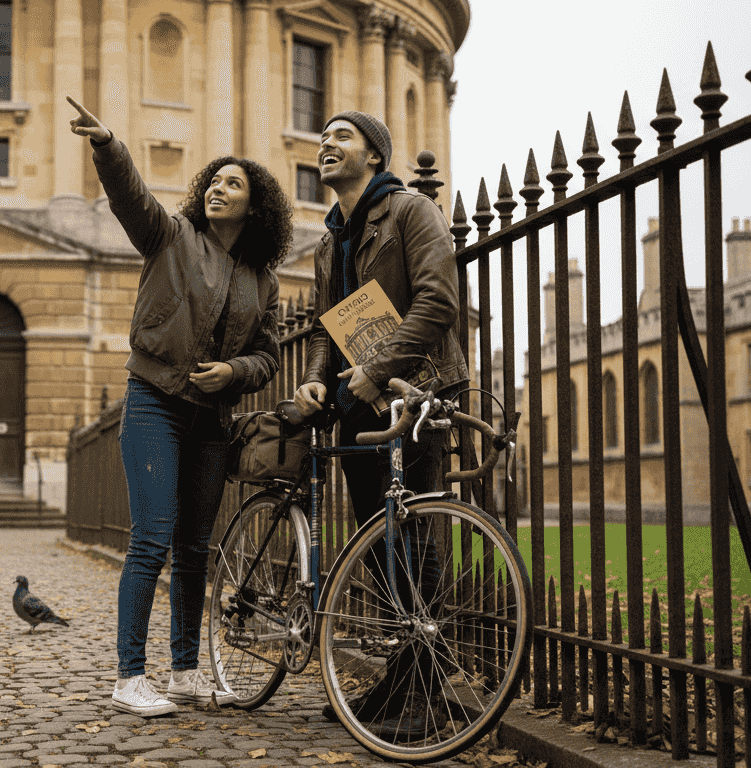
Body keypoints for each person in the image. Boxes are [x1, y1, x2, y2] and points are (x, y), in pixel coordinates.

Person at [67, 95, 293, 717]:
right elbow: (131, 198)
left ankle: (188, 670)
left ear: (256, 204)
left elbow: (269, 356)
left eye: (234, 184)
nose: (220, 190)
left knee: (196, 549)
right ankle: (129, 675)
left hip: (212, 420)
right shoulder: (171, 236)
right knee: (153, 539)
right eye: (215, 181)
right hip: (155, 403)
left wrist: (235, 372)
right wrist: (109, 145)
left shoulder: (263, 280)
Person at [292, 110, 468, 733]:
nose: (326, 145)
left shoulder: (411, 211)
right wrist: (317, 375)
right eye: (323, 138)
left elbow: (438, 300)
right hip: (355, 401)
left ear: (375, 154)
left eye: (341, 137)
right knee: (378, 544)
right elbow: (325, 325)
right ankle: (405, 681)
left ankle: (422, 693)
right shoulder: (328, 238)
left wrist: (378, 365)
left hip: (412, 394)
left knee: (414, 538)